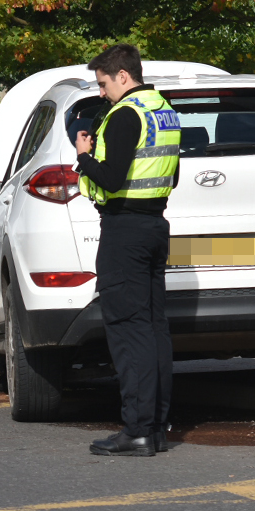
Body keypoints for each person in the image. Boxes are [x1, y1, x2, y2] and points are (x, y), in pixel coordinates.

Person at [74, 45, 180, 457]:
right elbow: (172, 175)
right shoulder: (163, 110)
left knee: (127, 330)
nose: (101, 93)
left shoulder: (124, 115)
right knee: (154, 329)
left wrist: (84, 159)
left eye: (102, 83)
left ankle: (135, 430)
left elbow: (113, 178)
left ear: (122, 75)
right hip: (155, 225)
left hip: (124, 231)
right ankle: (154, 428)